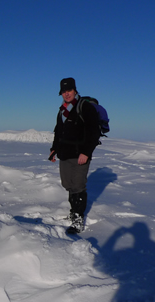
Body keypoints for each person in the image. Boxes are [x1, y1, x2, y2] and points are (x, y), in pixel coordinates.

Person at [49, 77, 101, 234]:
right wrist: (54, 149)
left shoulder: (84, 107)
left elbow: (94, 131)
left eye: (69, 91)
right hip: (64, 153)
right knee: (67, 184)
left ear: (75, 90)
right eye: (63, 92)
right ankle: (74, 212)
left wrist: (86, 152)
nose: (66, 94)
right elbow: (59, 131)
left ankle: (78, 219)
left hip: (80, 154)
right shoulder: (62, 110)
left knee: (78, 185)